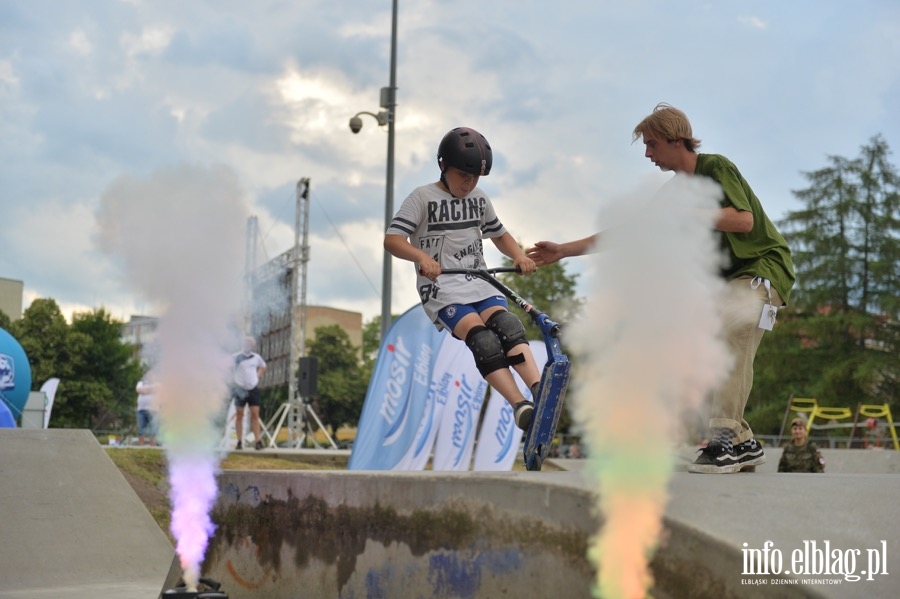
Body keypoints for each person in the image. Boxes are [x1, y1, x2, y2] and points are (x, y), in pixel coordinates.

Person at [527, 103, 795, 474]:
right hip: (732, 281)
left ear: (676, 140)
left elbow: (744, 221)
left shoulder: (716, 167)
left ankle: (723, 441)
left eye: (653, 145)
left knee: (730, 329)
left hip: (764, 268)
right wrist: (564, 250)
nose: (649, 154)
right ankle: (744, 442)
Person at [384, 126, 542, 431]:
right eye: (462, 175)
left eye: (475, 178)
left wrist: (519, 255)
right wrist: (421, 258)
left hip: (479, 280)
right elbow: (393, 240)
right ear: (443, 166)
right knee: (482, 340)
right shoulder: (421, 198)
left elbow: (499, 234)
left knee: (508, 327)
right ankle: (519, 405)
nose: (469, 183)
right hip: (442, 288)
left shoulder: (479, 199)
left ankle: (539, 390)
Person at [231, 336, 267, 450]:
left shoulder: (256, 357)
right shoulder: (236, 356)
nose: (248, 345)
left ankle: (258, 441)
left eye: (251, 343)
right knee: (239, 415)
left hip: (252, 388)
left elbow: (263, 367)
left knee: (255, 414)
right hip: (240, 388)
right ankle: (239, 441)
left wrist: (257, 376)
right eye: (247, 343)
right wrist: (234, 379)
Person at [135, 369, 160, 446]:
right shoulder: (140, 383)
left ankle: (152, 445)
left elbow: (156, 389)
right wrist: (150, 390)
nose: (150, 377)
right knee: (140, 429)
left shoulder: (158, 384)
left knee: (153, 430)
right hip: (141, 409)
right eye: (148, 375)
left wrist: (145, 390)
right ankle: (141, 445)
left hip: (154, 410)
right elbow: (139, 390)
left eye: (152, 375)